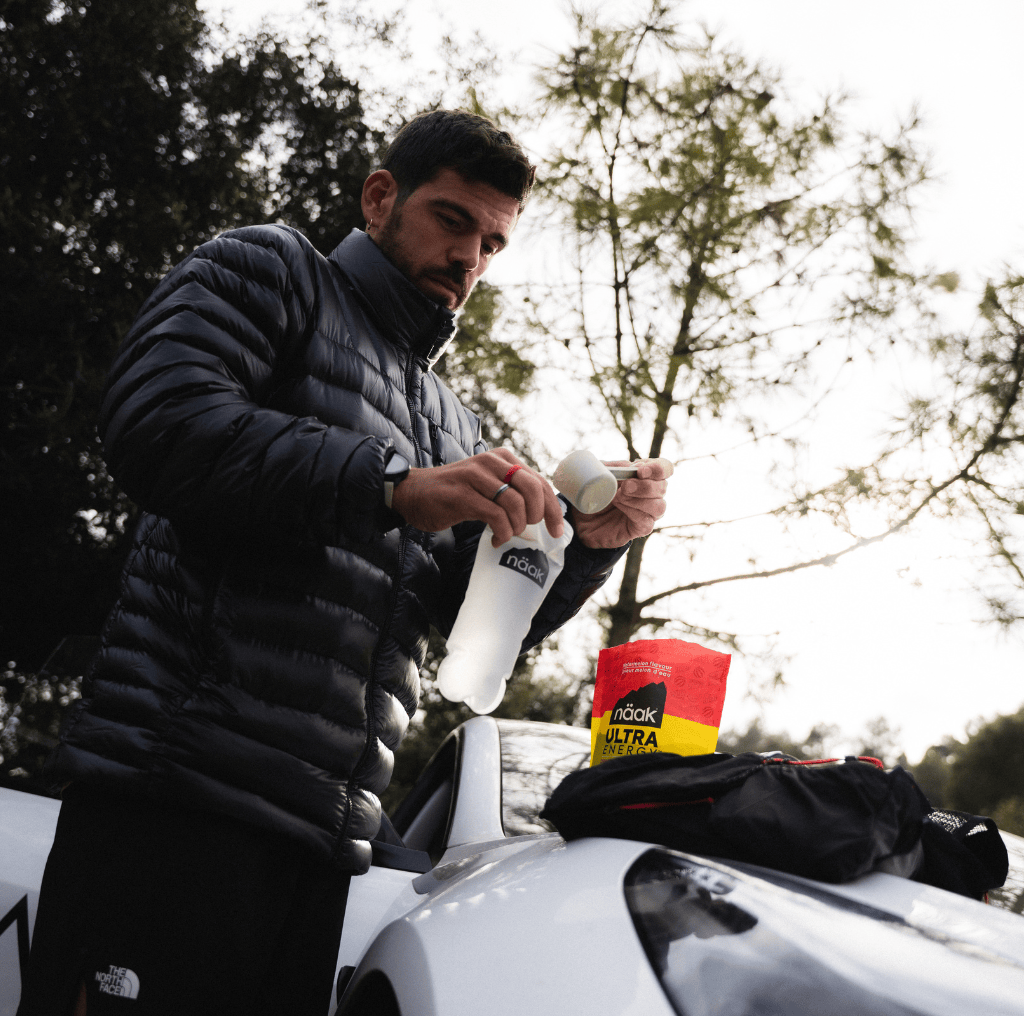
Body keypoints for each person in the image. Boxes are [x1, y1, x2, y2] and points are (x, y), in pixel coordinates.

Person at [18, 109, 670, 1015]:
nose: (469, 258)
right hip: (173, 806)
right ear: (379, 198)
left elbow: (462, 627)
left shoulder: (451, 422)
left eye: (492, 243)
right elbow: (159, 422)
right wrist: (392, 485)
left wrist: (587, 550)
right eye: (451, 221)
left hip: (324, 848)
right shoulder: (268, 268)